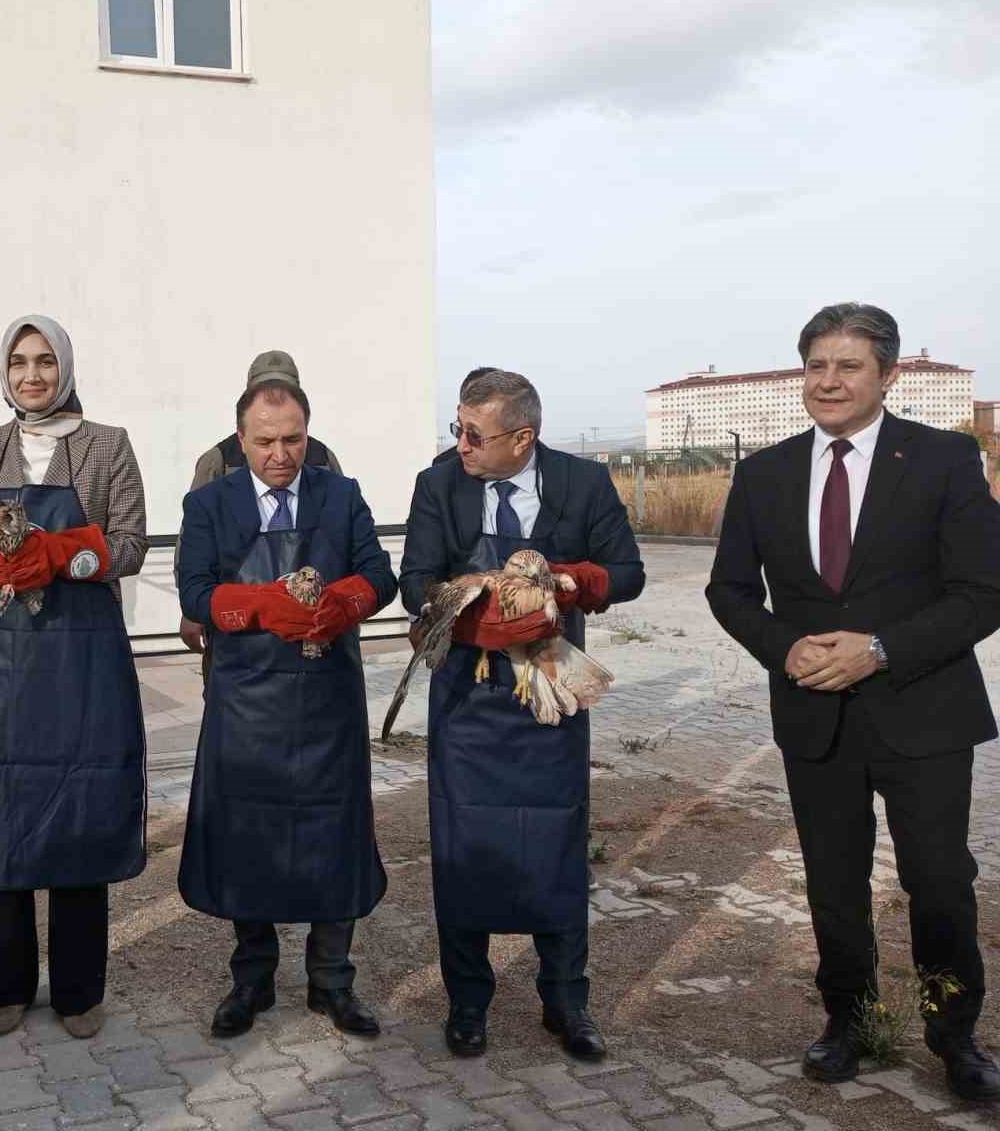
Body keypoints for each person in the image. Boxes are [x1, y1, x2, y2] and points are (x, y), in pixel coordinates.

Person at [706, 302, 1000, 1102]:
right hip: (814, 716)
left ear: (887, 376)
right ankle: (848, 1019)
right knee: (832, 883)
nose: (829, 381)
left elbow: (984, 591)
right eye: (816, 366)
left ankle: (953, 1034)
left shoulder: (944, 460)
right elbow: (728, 590)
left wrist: (879, 650)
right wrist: (782, 646)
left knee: (939, 880)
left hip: (923, 710)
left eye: (848, 366)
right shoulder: (763, 474)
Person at [398, 369, 642, 1061]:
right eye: (458, 429)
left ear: (523, 437)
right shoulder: (438, 484)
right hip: (467, 704)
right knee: (463, 852)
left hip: (550, 701)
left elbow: (627, 570)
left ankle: (566, 1001)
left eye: (474, 434)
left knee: (557, 850)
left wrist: (566, 582)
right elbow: (414, 579)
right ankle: (468, 1003)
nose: (462, 445)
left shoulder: (582, 485)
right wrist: (470, 601)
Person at [0, 315, 148, 1040]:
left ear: (65, 366)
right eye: (19, 363)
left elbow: (130, 543)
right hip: (0, 657)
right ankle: (3, 988)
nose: (32, 375)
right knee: (0, 814)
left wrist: (62, 555)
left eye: (44, 362)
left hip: (81, 655)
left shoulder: (107, 445)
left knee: (80, 809)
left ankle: (79, 993)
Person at [177, 378, 396, 1039]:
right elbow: (194, 590)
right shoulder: (209, 503)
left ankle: (332, 983)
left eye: (293, 438)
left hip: (327, 700)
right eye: (266, 441)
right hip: (245, 701)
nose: (281, 454)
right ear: (240, 440)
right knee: (249, 842)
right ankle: (253, 981)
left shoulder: (341, 493)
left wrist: (347, 601)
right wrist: (257, 607)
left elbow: (380, 574)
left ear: (309, 433)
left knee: (335, 840)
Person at [177, 351, 342, 657]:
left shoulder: (322, 457)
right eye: (264, 443)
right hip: (239, 631)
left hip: (315, 628)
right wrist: (192, 610)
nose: (280, 456)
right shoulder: (219, 458)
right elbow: (191, 540)